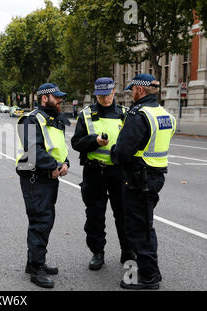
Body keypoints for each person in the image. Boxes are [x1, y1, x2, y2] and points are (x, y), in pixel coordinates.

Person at [111, 74, 176, 290]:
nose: (131, 93)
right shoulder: (165, 114)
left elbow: (122, 151)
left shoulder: (139, 115)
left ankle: (148, 277)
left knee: (139, 228)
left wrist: (114, 154)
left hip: (139, 179)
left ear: (140, 90)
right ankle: (149, 271)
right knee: (144, 224)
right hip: (155, 177)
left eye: (132, 90)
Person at [71, 78, 135, 271]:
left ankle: (128, 251)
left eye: (108, 94)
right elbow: (76, 142)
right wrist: (94, 141)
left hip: (119, 172)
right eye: (100, 95)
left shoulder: (125, 114)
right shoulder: (87, 114)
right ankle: (97, 253)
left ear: (114, 92)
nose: (105, 98)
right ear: (95, 94)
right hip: (94, 171)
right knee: (95, 215)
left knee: (123, 214)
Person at [16, 83, 70, 288]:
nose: (60, 101)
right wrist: (55, 165)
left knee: (46, 220)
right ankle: (36, 268)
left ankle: (35, 262)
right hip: (34, 178)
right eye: (57, 97)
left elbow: (59, 148)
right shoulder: (30, 120)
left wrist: (65, 164)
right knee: (40, 221)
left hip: (49, 177)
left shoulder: (54, 121)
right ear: (44, 98)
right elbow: (33, 150)